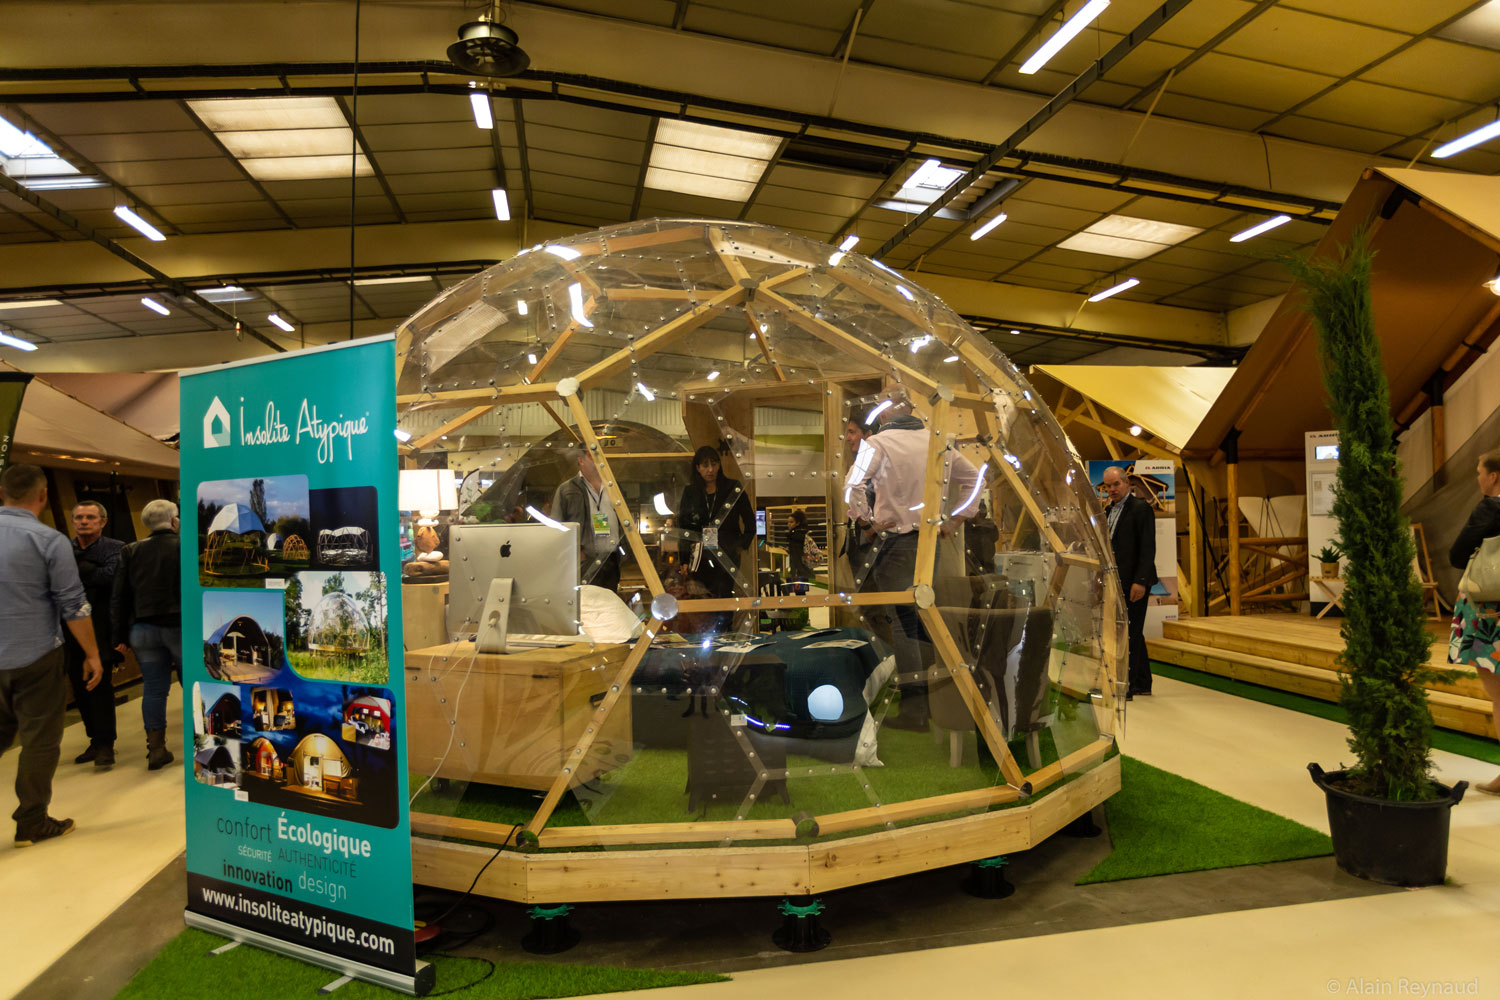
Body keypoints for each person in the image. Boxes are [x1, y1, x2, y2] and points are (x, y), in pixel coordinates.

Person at [845, 401, 980, 730]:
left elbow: (851, 487)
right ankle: (933, 699)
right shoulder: (936, 441)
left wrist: (865, 523)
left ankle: (915, 709)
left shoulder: (878, 443)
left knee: (903, 622)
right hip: (929, 542)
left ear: (885, 415)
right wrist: (955, 520)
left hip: (895, 542)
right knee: (919, 618)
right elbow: (975, 479)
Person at [0, 463, 103, 846]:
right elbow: (73, 604)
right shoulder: (49, 540)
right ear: (43, 496)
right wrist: (92, 654)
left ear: (2, 493)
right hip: (36, 656)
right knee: (39, 739)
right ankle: (31, 821)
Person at [111, 499, 182, 771]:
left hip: (142, 630)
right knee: (195, 685)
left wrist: (119, 636)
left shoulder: (130, 551)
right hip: (180, 627)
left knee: (153, 689)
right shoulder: (184, 546)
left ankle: (156, 749)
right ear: (174, 521)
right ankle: (204, 740)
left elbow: (119, 596)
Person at [1447, 450, 1500, 795]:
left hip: (1490, 612)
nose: (1478, 478)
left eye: (1480, 472)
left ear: (1493, 476)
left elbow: (1457, 555)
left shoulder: (1490, 508)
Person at [64, 501, 123, 768]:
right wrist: (88, 570)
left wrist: (78, 571)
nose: (84, 522)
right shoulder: (63, 548)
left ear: (102, 521)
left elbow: (110, 578)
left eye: (90, 517)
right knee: (79, 687)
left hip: (102, 627)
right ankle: (94, 739)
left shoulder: (116, 548)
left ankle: (106, 744)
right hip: (69, 629)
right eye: (79, 517)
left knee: (100, 686)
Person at [1101, 466, 1157, 699]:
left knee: (1130, 632)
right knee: (1131, 629)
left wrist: (1140, 581)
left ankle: (1127, 685)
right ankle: (1143, 681)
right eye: (1108, 486)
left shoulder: (1141, 509)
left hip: (1135, 581)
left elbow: (1147, 547)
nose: (1112, 489)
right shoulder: (1108, 511)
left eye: (1116, 484)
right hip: (1116, 580)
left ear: (1127, 483)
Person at [676, 445, 754, 603]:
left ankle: (727, 620)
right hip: (699, 555)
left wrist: (741, 545)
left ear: (719, 465)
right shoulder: (690, 492)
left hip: (727, 552)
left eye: (714, 464)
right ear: (698, 468)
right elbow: (684, 527)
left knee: (725, 595)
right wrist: (683, 559)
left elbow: (750, 521)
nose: (710, 469)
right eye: (705, 465)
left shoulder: (732, 488)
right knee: (701, 597)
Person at [551, 442, 622, 592]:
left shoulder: (613, 488)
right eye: (592, 456)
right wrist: (576, 553)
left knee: (610, 601)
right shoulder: (566, 490)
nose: (598, 460)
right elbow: (556, 529)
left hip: (611, 561)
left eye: (600, 455)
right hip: (584, 562)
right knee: (586, 602)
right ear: (580, 460)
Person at [785, 508, 819, 595]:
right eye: (788, 522)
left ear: (798, 523)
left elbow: (796, 553)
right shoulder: (803, 534)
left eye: (791, 522)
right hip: (804, 566)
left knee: (799, 592)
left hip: (798, 567)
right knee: (801, 591)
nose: (789, 524)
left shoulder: (794, 536)